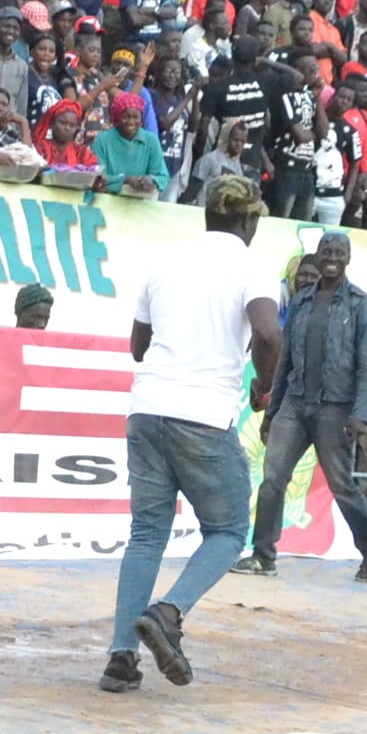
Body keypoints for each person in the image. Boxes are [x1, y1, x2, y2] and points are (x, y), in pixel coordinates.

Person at [102, 173, 280, 696]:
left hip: (148, 408)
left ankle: (120, 658)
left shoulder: (165, 262)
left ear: (208, 214)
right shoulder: (252, 267)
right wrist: (266, 387)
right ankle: (169, 613)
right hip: (201, 415)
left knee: (147, 534)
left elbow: (139, 346)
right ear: (248, 221)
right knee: (228, 532)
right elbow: (268, 332)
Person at [240, 228, 367, 580]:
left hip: (336, 409)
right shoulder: (302, 301)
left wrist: (360, 414)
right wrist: (272, 412)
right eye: (326, 252)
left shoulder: (361, 305)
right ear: (317, 256)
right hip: (295, 403)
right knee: (273, 478)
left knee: (341, 484)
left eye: (338, 252)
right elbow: (285, 360)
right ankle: (263, 555)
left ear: (348, 259)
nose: (331, 258)